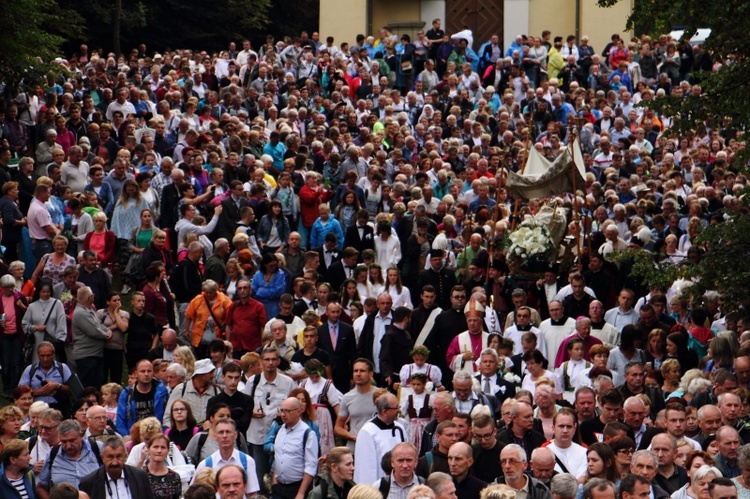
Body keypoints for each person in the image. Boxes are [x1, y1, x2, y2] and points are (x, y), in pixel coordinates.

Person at [243, 345, 295, 487]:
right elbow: (244, 407)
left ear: (278, 361)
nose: (270, 363)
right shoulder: (252, 381)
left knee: (279, 475)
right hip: (258, 436)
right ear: (261, 362)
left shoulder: (288, 382)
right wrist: (252, 412)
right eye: (267, 360)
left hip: (280, 436)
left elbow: (294, 406)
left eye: (273, 359)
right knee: (259, 476)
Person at [193, 418, 260, 496]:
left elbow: (252, 494)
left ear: (235, 435)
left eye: (228, 432)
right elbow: (193, 493)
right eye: (221, 432)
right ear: (215, 436)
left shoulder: (247, 461)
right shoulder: (205, 464)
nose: (224, 436)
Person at [36, 419, 103, 494]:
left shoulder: (97, 448)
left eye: (72, 441)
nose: (68, 446)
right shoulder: (53, 454)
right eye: (64, 442)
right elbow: (41, 487)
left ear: (81, 436)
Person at [79, 435, 156, 499]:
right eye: (110, 457)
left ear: (125, 456)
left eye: (119, 456)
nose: (115, 462)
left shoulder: (140, 477)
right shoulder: (89, 483)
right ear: (102, 458)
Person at [354, 392, 407, 484]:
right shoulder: (368, 431)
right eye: (395, 408)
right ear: (384, 411)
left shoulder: (400, 428)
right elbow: (366, 468)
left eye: (398, 406)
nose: (399, 410)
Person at [271, 397, 319, 499]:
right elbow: (279, 456)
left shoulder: (308, 434)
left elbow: (311, 466)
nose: (283, 414)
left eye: (287, 411)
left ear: (299, 411)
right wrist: (274, 483)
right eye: (282, 410)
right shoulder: (280, 430)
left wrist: (301, 493)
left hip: (297, 487)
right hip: (279, 487)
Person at [71, 286, 112, 389]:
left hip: (95, 355)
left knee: (97, 385)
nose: (94, 296)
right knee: (87, 387)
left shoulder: (90, 310)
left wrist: (108, 330)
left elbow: (99, 324)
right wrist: (106, 335)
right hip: (86, 356)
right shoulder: (81, 313)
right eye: (92, 295)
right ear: (89, 298)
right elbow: (93, 331)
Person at [115, 358, 168, 436]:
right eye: (142, 371)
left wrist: (163, 434)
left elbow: (167, 416)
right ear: (136, 374)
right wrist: (127, 437)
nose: (146, 374)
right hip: (135, 436)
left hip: (157, 434)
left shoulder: (162, 392)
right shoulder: (126, 394)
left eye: (149, 371)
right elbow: (120, 420)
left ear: (153, 373)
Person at [335, 359, 377, 451]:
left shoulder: (380, 395)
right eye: (355, 371)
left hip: (376, 446)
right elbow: (338, 427)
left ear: (371, 374)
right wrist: (354, 437)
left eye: (362, 371)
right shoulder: (347, 397)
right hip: (355, 448)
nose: (358, 374)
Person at [206, 363, 253, 435]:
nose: (233, 382)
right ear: (223, 377)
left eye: (236, 378)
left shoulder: (247, 400)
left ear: (240, 378)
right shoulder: (213, 401)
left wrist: (219, 421)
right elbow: (209, 423)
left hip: (238, 440)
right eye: (230, 377)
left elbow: (244, 425)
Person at [143, 433, 183, 499]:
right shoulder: (140, 475)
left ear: (167, 451)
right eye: (155, 447)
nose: (159, 451)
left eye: (163, 447)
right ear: (149, 449)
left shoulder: (174, 477)